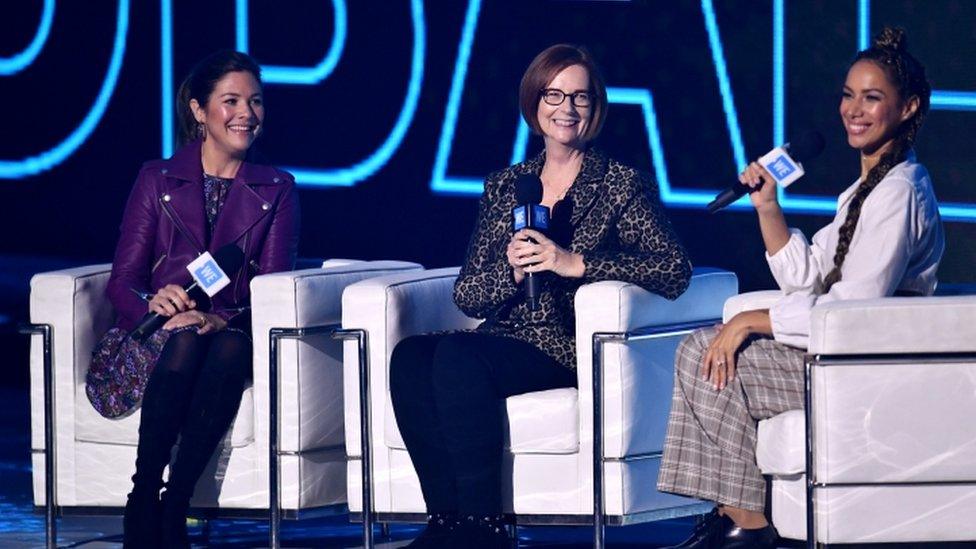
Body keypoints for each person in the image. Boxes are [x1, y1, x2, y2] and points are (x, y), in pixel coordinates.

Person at [389, 44, 692, 548]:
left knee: (459, 360)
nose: (566, 109)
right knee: (412, 356)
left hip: (566, 343)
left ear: (596, 108)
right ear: (535, 102)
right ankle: (445, 523)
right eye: (554, 94)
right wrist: (510, 269)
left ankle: (485, 528)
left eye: (579, 97)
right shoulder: (509, 186)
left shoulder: (619, 184)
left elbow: (673, 269)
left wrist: (577, 264)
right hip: (506, 335)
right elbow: (468, 292)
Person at [656, 27, 944, 549]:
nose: (854, 110)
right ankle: (736, 516)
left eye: (872, 97)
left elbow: (854, 309)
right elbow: (805, 278)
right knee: (703, 348)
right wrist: (767, 204)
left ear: (907, 109)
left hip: (865, 370)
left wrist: (749, 323)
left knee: (709, 350)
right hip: (833, 352)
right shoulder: (865, 190)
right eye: (848, 95)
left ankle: (747, 526)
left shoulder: (901, 191)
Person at [84, 50, 299, 548]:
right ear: (199, 111)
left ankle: (174, 502)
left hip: (227, 329)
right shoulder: (156, 178)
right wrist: (154, 306)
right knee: (183, 342)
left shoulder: (278, 189)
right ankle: (144, 495)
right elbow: (124, 280)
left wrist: (221, 319)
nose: (247, 113)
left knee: (222, 348)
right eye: (231, 101)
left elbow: (274, 285)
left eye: (256, 101)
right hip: (152, 333)